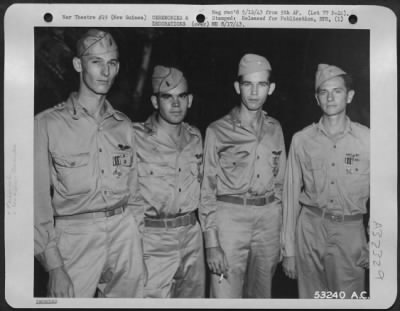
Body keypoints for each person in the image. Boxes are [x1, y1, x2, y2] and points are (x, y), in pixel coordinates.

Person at [34, 29, 145, 298]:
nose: (106, 71)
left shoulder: (124, 125)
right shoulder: (47, 124)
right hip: (75, 236)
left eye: (112, 63)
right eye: (96, 61)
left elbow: (135, 191)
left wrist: (135, 236)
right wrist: (54, 266)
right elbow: (36, 203)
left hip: (124, 233)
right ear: (78, 64)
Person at [200, 54, 286, 298]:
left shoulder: (275, 128)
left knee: (262, 295)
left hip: (268, 220)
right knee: (225, 295)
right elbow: (207, 189)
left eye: (261, 85)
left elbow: (280, 184)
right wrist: (211, 243)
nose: (254, 92)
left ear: (271, 88)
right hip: (229, 219)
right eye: (248, 84)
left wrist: (279, 233)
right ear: (238, 87)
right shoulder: (217, 130)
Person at [281, 64, 370, 298]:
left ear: (349, 95)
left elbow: (384, 194)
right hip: (310, 229)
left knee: (350, 301)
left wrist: (376, 243)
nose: (330, 98)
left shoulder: (368, 140)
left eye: (337, 91)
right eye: (323, 92)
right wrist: (288, 250)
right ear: (316, 98)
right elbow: (289, 197)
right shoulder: (301, 140)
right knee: (311, 301)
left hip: (350, 232)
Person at [131, 66, 205, 298]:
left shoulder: (196, 137)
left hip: (192, 237)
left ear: (189, 100)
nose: (176, 104)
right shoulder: (134, 137)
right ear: (155, 101)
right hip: (153, 241)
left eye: (181, 96)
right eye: (167, 97)